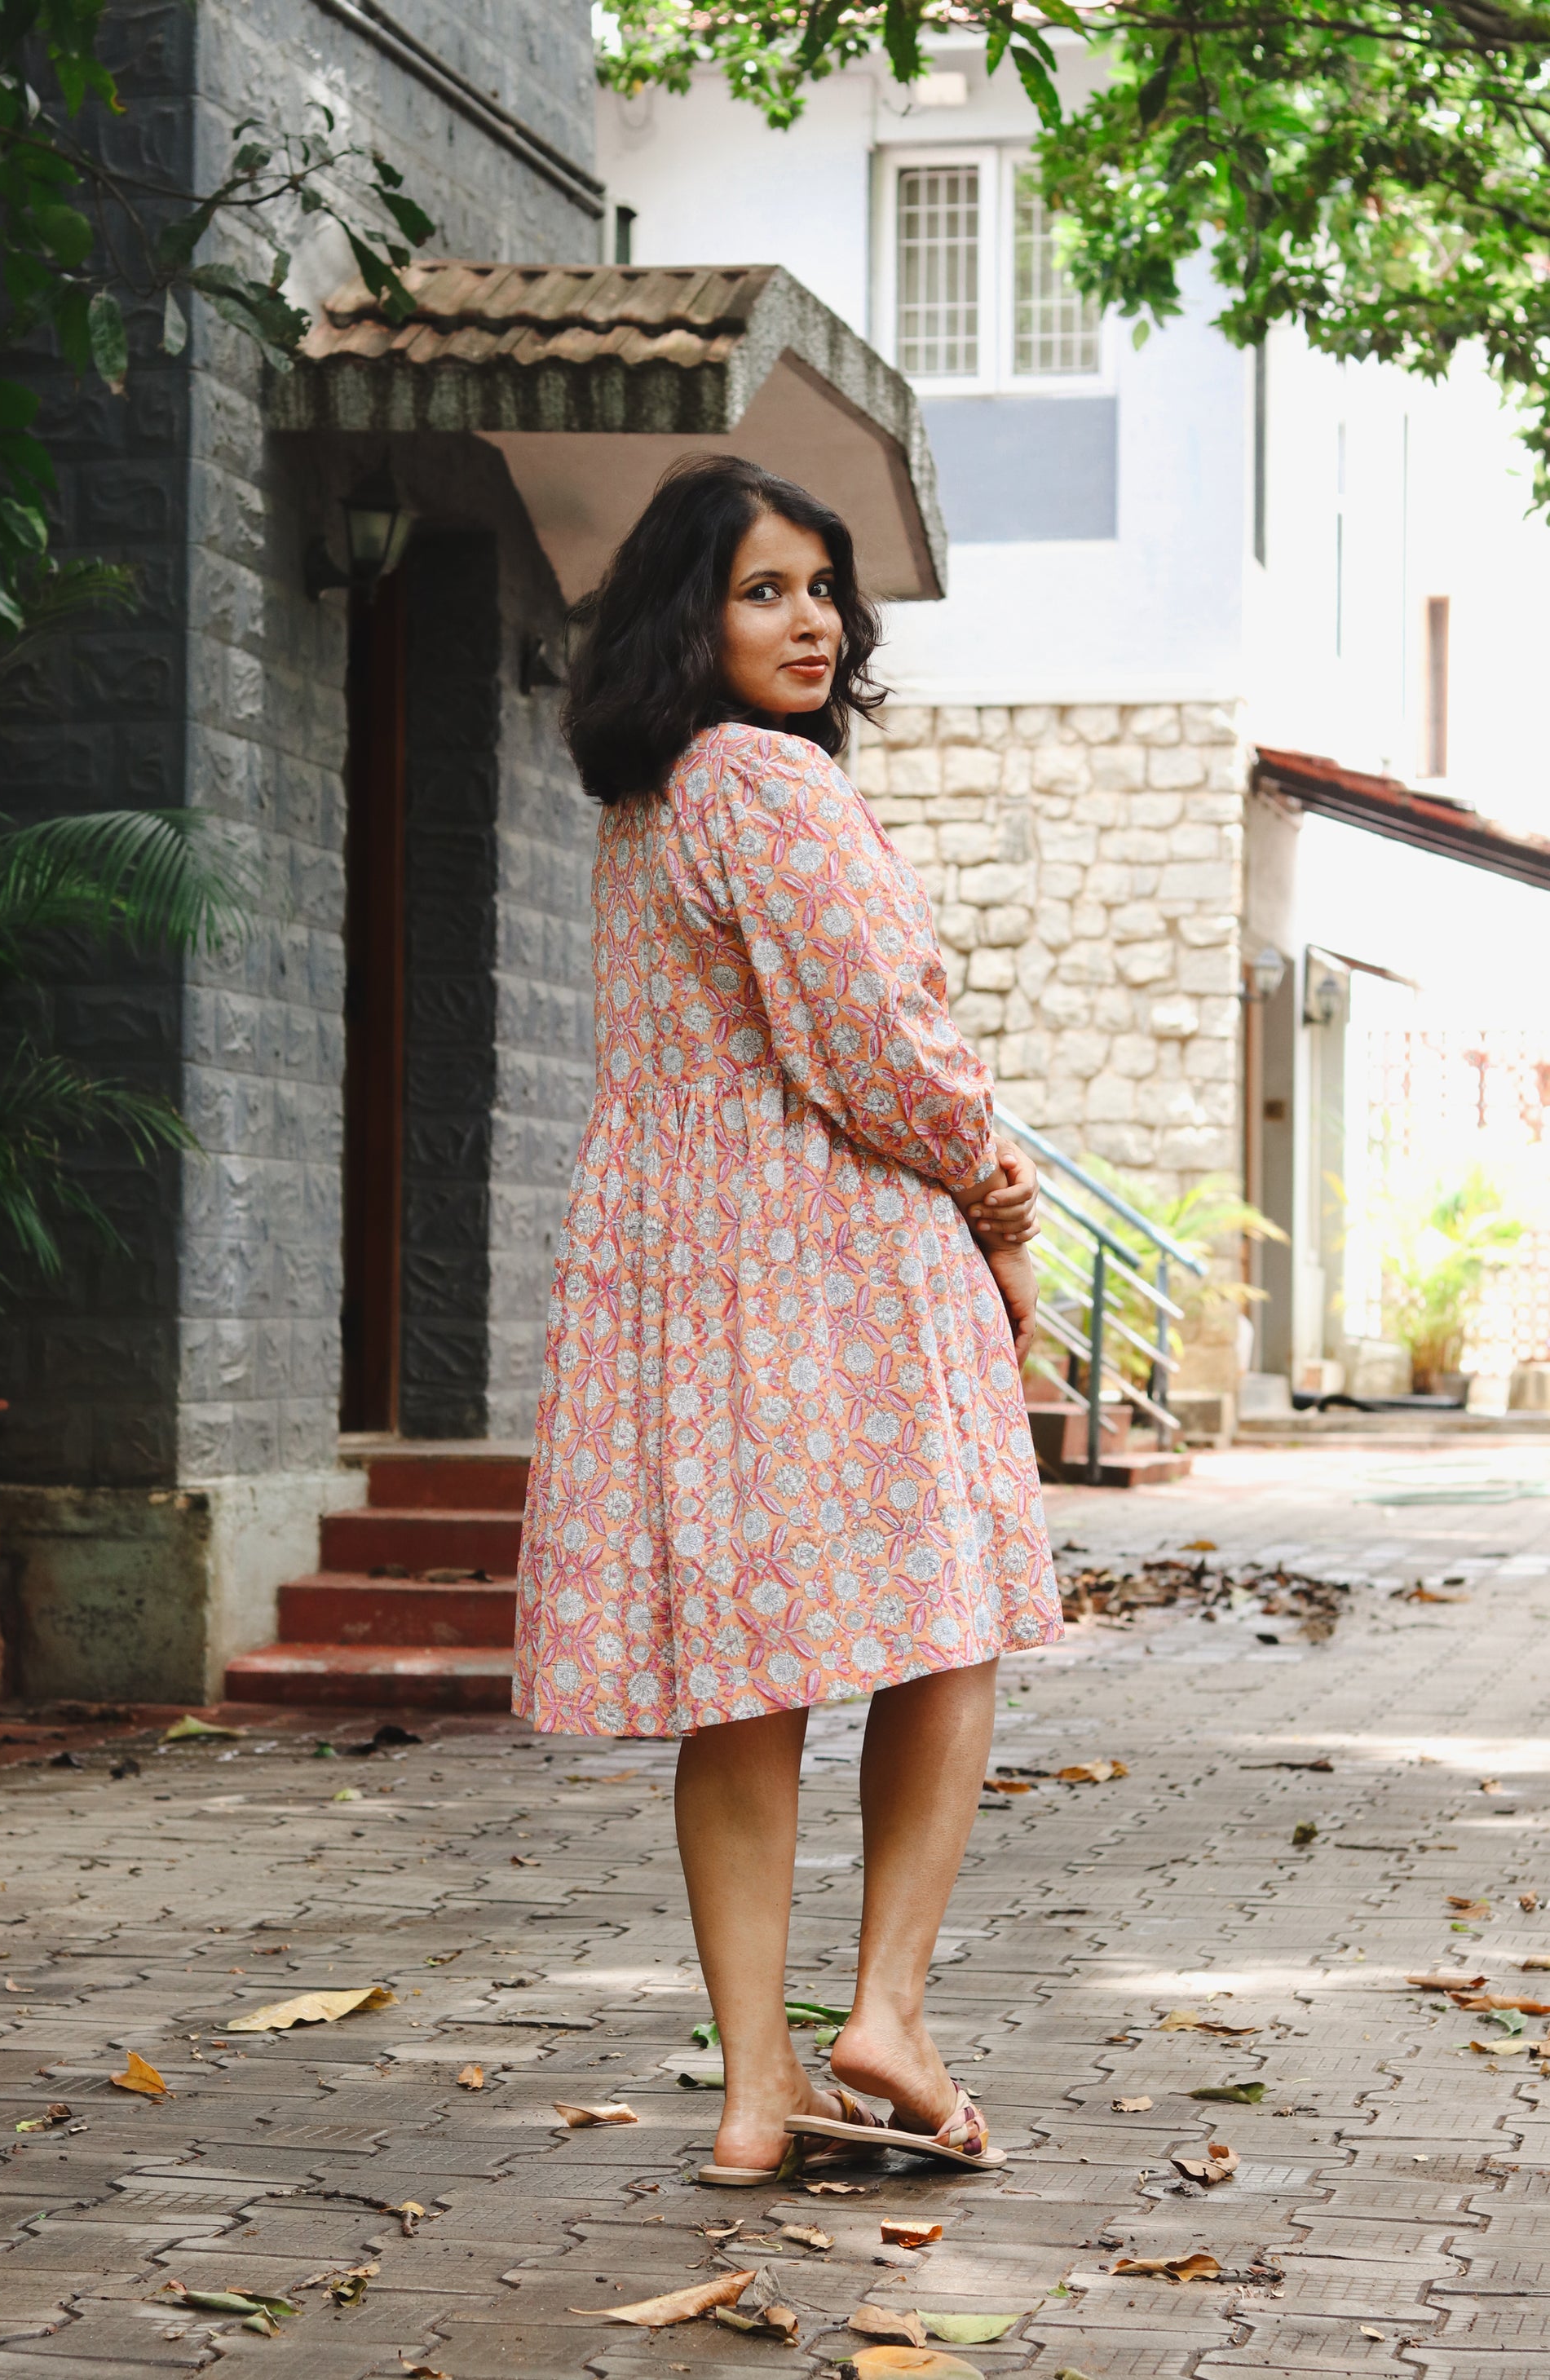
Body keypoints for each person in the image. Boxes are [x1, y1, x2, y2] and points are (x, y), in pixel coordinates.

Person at [514, 455, 1062, 2184]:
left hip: (682, 1273)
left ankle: (759, 2091)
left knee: (741, 1687)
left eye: (824, 588)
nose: (812, 618)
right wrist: (1001, 1201)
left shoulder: (646, 799)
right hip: (835, 1259)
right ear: (691, 611)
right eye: (765, 589)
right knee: (944, 1615)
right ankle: (883, 2009)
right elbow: (877, 1043)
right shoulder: (771, 783)